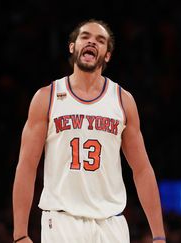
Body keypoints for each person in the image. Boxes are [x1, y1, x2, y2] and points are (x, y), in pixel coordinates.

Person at [12, 19, 166, 243]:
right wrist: (20, 234)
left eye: (100, 40)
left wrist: (159, 236)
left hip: (111, 223)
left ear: (107, 55)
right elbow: (26, 166)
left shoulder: (123, 101)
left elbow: (142, 169)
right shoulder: (47, 97)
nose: (92, 42)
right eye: (85, 37)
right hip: (63, 221)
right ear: (72, 47)